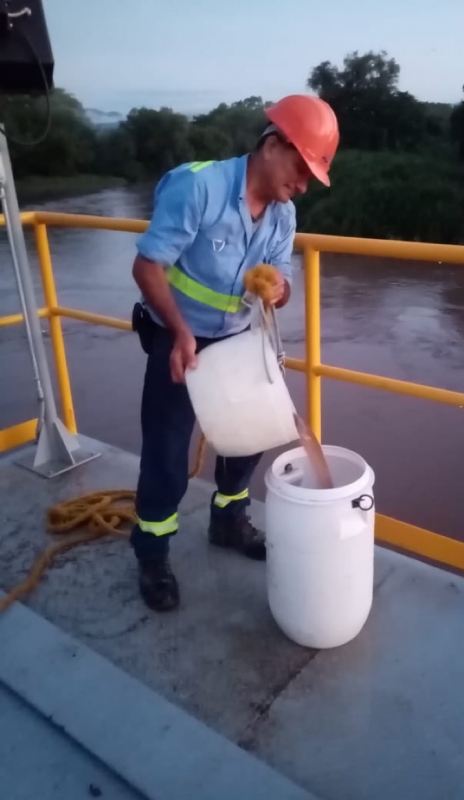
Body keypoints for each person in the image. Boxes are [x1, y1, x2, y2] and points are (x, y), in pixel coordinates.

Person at [129, 94, 339, 612]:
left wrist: (277, 291)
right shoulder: (198, 186)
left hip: (242, 337)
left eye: (313, 174)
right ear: (273, 145)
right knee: (167, 450)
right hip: (177, 335)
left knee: (250, 437)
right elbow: (148, 267)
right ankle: (152, 553)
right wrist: (179, 333)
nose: (304, 183)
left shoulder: (283, 215)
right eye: (301, 166)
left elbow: (283, 276)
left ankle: (228, 521)